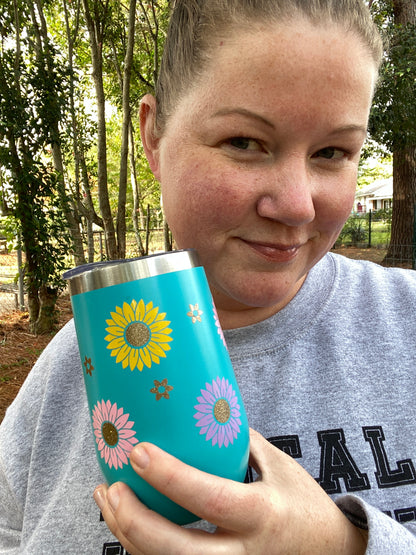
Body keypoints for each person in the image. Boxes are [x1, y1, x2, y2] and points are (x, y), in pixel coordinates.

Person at [1, 0, 416, 552]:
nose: (296, 206)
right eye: (244, 142)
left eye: (332, 152)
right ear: (152, 137)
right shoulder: (66, 372)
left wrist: (343, 544)